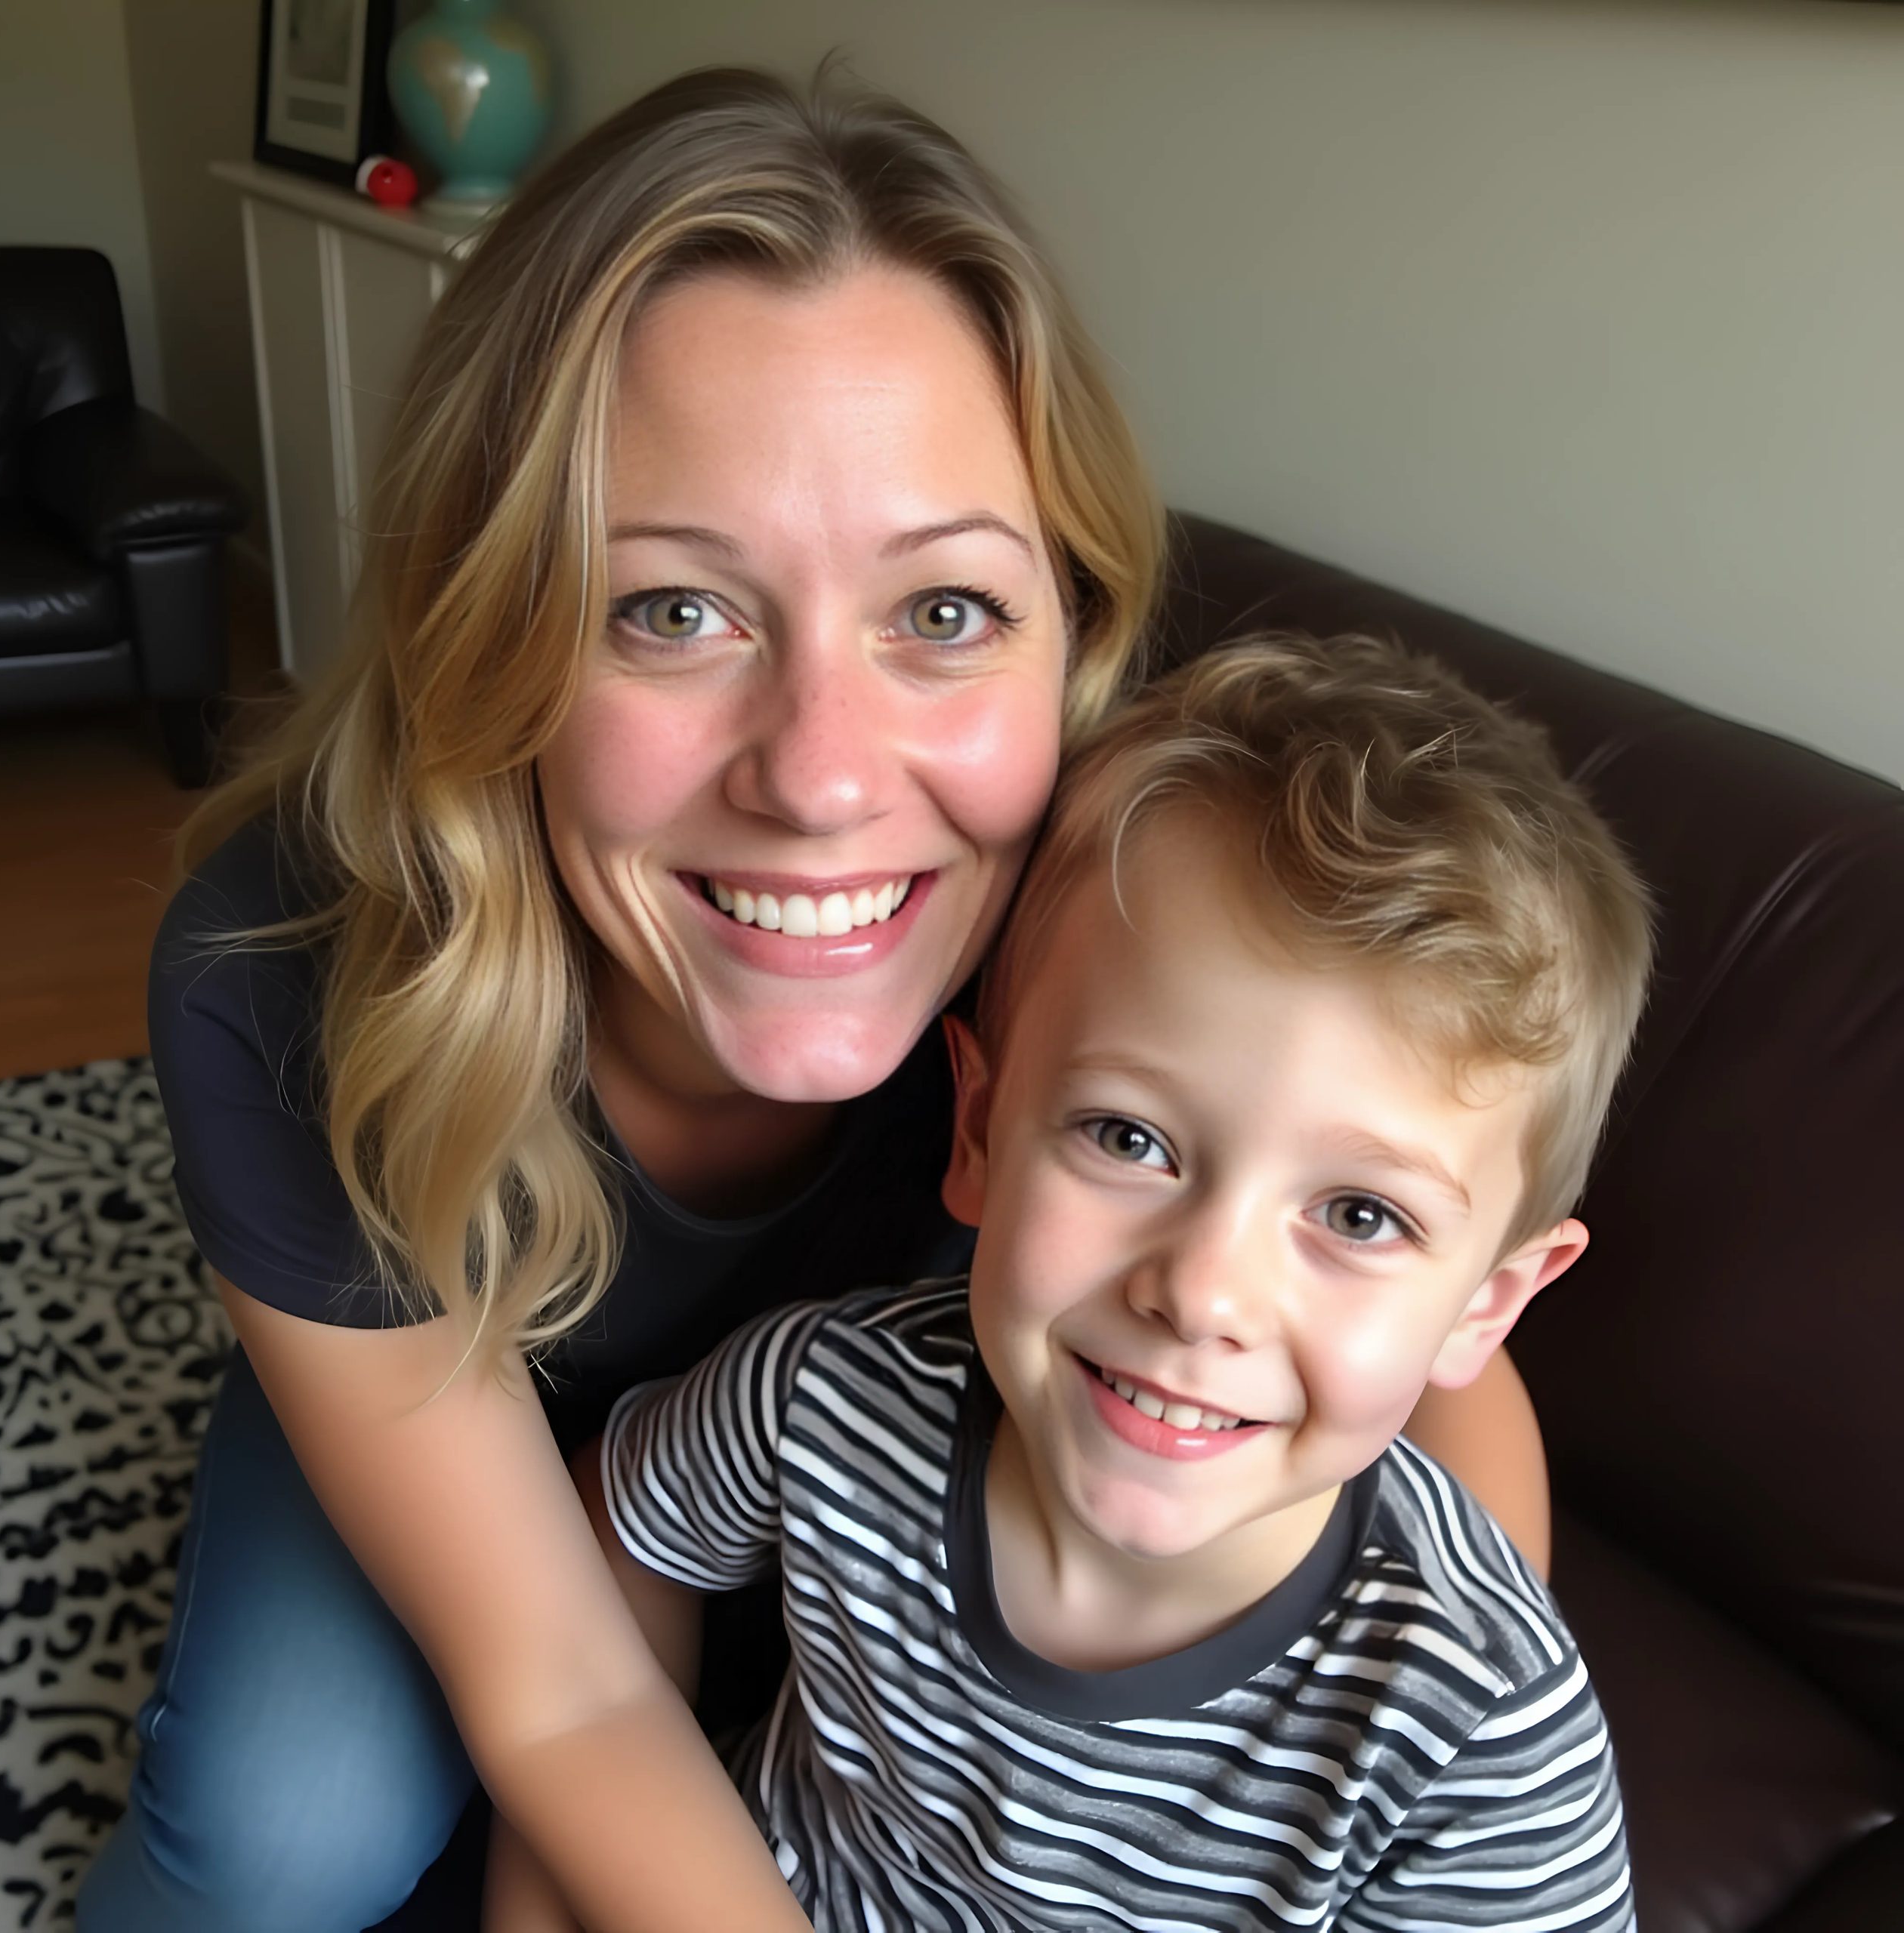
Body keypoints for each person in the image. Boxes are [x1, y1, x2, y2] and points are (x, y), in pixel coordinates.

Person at [80, 69, 1551, 1933]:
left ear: (1070, 634)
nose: (823, 775)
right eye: (671, 610)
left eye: (940, 612)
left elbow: (1432, 1357)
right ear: (488, 636)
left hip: (847, 1440)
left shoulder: (1117, 884)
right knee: (276, 1838)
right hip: (445, 1377)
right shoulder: (275, 972)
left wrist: (1426, 1750)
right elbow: (566, 1681)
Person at [490, 635, 1649, 1931]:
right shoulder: (822, 1399)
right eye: (1129, 1139)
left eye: (1359, 1216)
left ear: (1487, 1303)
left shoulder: (1480, 1741)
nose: (1202, 1295)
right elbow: (619, 1542)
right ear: (980, 1131)